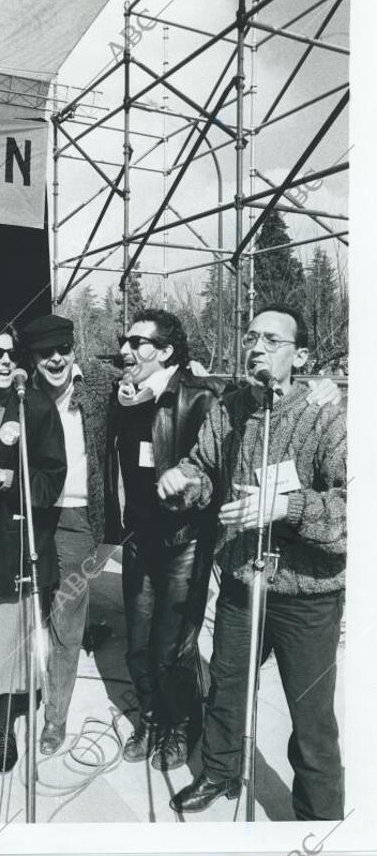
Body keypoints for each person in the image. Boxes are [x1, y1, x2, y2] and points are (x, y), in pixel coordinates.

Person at [158, 304, 346, 821]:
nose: (256, 347)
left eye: (271, 339)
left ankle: (319, 819)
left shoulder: (328, 413)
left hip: (308, 595)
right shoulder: (232, 407)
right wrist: (181, 480)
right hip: (244, 580)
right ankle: (220, 772)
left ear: (301, 354)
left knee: (311, 719)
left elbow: (351, 514)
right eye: (251, 337)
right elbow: (202, 469)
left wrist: (286, 506)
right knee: (227, 685)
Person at [106, 309, 225, 771]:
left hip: (184, 540)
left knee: (174, 646)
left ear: (167, 352)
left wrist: (311, 386)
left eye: (138, 343)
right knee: (137, 641)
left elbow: (250, 406)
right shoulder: (126, 396)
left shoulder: (202, 397)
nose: (126, 350)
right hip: (139, 537)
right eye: (125, 341)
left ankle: (182, 724)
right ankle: (152, 717)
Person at [0, 322, 66, 773]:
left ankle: (6, 725)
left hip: (20, 540)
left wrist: (7, 478)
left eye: (10, 354)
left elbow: (52, 479)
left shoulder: (36, 406)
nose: (3, 361)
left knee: (14, 640)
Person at [20, 315, 116, 755]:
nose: (56, 359)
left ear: (73, 350)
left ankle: (54, 717)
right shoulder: (21, 393)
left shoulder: (99, 385)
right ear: (33, 357)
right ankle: (15, 699)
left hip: (78, 517)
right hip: (31, 517)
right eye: (45, 353)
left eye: (63, 350)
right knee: (27, 615)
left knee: (66, 619)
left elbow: (166, 381)